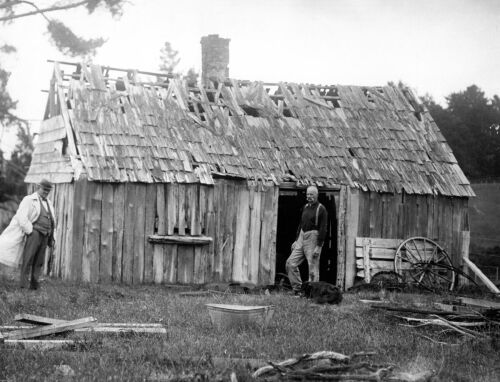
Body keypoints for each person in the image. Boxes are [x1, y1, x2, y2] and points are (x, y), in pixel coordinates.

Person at [0, 179, 56, 289]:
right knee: (29, 259)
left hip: (45, 235)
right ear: (38, 187)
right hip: (34, 233)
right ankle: (24, 286)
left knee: (39, 261)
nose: (46, 192)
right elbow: (21, 217)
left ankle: (34, 286)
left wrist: (51, 235)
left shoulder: (49, 203)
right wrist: (30, 231)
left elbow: (52, 220)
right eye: (44, 189)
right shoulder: (29, 200)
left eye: (48, 191)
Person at [286, 186, 328, 296]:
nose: (309, 197)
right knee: (290, 263)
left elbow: (323, 228)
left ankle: (313, 294)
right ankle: (298, 289)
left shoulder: (321, 209)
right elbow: (301, 224)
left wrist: (319, 246)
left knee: (313, 268)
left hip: (313, 236)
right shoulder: (305, 207)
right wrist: (296, 240)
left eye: (311, 195)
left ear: (316, 195)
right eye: (308, 194)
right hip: (302, 236)